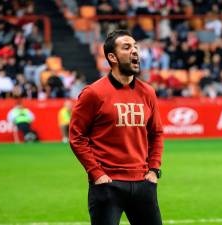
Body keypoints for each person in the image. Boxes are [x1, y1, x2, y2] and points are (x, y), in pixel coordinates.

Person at [69, 30, 164, 225]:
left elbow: (156, 133)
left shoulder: (148, 92)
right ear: (112, 57)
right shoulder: (93, 93)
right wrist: (96, 173)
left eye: (136, 46)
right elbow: (77, 137)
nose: (135, 51)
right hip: (107, 184)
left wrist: (154, 170)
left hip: (143, 183)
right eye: (127, 47)